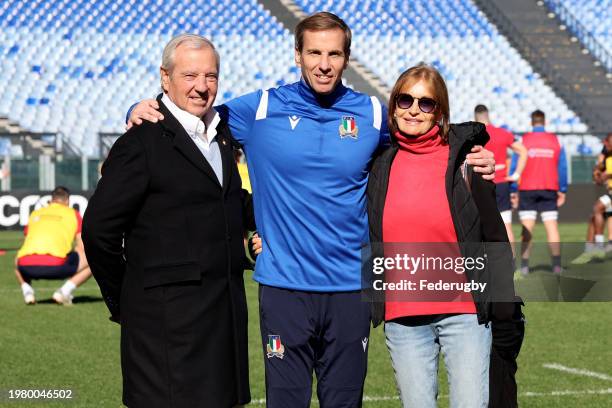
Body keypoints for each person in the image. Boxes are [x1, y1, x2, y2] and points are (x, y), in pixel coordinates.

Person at [127, 12, 496, 407]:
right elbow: (189, 120)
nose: (324, 64)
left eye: (334, 54)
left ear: (347, 58)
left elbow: (426, 131)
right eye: (315, 52)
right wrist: (138, 109)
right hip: (284, 289)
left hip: (352, 290)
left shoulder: (372, 114)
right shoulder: (260, 109)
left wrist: (473, 152)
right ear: (298, 54)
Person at [82, 34, 255, 408]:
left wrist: (267, 223)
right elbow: (98, 230)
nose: (202, 86)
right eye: (190, 75)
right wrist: (126, 300)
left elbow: (227, 202)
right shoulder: (140, 141)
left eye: (211, 76)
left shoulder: (221, 133)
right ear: (165, 77)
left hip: (222, 327)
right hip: (166, 334)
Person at [366, 64, 516, 408]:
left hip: (464, 314)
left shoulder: (467, 160)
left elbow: (493, 234)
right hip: (402, 316)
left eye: (426, 103)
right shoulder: (376, 162)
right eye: (405, 100)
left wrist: (504, 302)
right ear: (392, 106)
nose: (414, 110)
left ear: (440, 112)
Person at [15, 186, 91, 305]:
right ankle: (64, 292)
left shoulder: (36, 213)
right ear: (67, 201)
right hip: (57, 265)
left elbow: (26, 241)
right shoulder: (73, 213)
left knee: (19, 256)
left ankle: (27, 292)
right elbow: (81, 245)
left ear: (51, 200)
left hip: (26, 266)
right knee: (93, 258)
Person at [516, 110, 568, 276]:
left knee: (527, 228)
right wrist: (563, 190)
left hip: (527, 189)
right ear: (544, 122)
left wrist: (512, 190)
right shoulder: (555, 140)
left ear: (532, 122)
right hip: (549, 188)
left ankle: (524, 266)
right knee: (551, 227)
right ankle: (557, 265)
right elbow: (563, 167)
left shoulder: (523, 140)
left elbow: (516, 167)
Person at [474, 104, 528, 247]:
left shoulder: (473, 135)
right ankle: (511, 265)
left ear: (475, 117)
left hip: (480, 184)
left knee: (479, 228)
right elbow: (523, 151)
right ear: (488, 116)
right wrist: (516, 175)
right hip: (501, 185)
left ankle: (483, 264)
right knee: (506, 226)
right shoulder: (502, 133)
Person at [572, 132, 612, 263]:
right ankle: (589, 251)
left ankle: (599, 246)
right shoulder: (607, 157)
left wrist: (604, 175)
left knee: (598, 208)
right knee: (594, 216)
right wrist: (597, 173)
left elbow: (604, 175)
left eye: (607, 143)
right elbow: (598, 175)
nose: (605, 145)